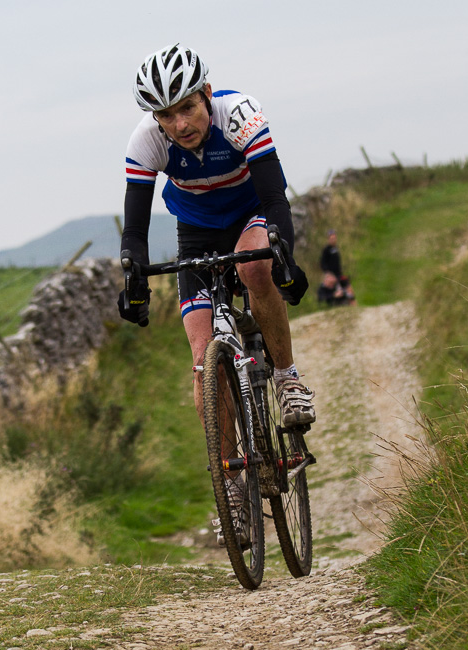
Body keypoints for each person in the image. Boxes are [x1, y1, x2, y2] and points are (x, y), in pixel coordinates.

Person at [118, 43, 315, 542]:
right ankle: (231, 486)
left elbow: (274, 196)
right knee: (204, 359)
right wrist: (134, 280)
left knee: (254, 269)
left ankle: (287, 378)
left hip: (252, 213)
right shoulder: (147, 141)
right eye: (167, 115)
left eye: (187, 107)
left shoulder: (240, 114)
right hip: (197, 232)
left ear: (206, 93)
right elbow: (135, 230)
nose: (180, 123)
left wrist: (284, 258)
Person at [318, 230, 356, 305]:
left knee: (349, 288)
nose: (333, 240)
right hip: (332, 276)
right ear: (328, 239)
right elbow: (323, 263)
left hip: (339, 274)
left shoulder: (336, 249)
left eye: (334, 238)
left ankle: (355, 306)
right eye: (331, 239)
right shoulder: (326, 250)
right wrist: (328, 274)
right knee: (339, 292)